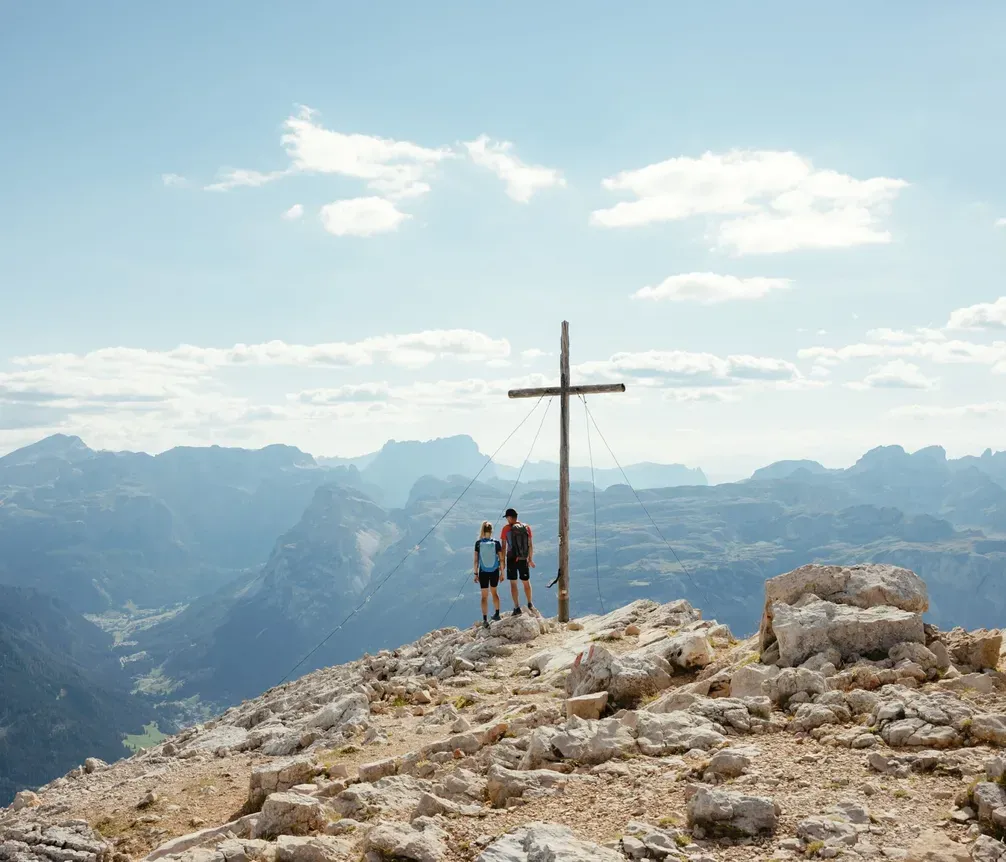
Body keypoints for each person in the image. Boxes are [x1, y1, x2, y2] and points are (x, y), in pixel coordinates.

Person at [500, 507, 535, 615]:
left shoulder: (506, 529)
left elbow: (504, 547)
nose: (507, 520)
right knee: (526, 582)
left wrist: (503, 562)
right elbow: (530, 545)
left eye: (507, 518)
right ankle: (530, 604)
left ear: (510, 518)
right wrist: (530, 559)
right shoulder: (526, 527)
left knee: (513, 584)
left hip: (511, 559)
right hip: (523, 558)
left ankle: (517, 607)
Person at [473, 520, 503, 629]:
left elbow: (476, 560)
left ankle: (485, 619)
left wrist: (476, 573)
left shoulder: (478, 543)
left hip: (483, 572)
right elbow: (501, 559)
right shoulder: (496, 543)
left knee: (484, 596)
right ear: (491, 531)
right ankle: (497, 614)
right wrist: (502, 573)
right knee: (495, 593)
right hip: (495, 571)